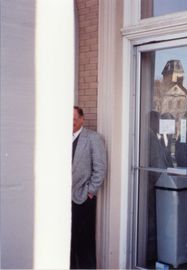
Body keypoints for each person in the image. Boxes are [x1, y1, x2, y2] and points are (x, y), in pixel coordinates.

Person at [71, 106, 107, 269]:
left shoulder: (93, 138)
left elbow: (100, 168)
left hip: (83, 198)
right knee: (68, 241)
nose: (70, 122)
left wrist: (90, 192)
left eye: (73, 119)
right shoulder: (61, 137)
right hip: (63, 199)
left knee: (84, 242)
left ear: (81, 119)